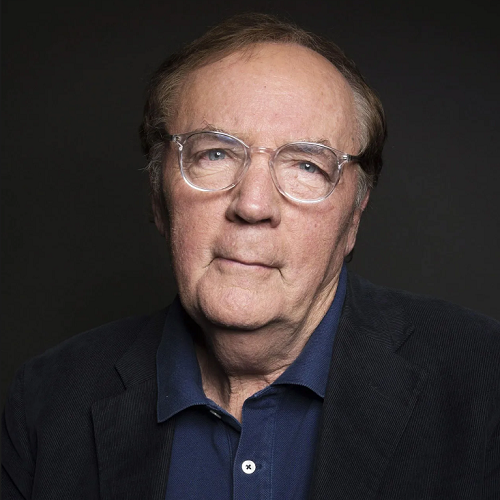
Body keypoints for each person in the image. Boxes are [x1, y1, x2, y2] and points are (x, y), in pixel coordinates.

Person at [2, 12, 499, 500]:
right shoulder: (47, 402)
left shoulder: (486, 384)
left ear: (354, 215)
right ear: (158, 195)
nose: (253, 205)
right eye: (215, 154)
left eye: (307, 165)